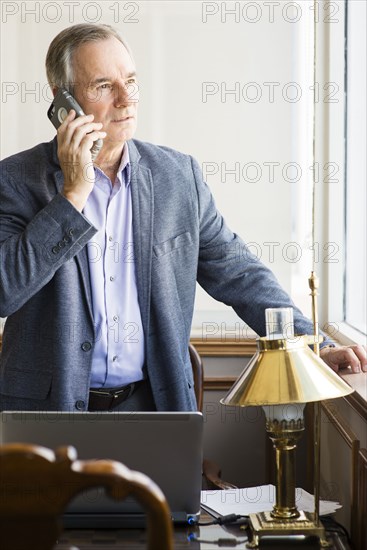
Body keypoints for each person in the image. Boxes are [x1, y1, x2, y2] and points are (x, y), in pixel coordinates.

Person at [0, 24, 365, 413]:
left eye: (131, 82)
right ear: (62, 101)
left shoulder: (178, 177)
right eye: (104, 86)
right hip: (45, 414)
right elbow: (5, 291)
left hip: (152, 407)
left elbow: (239, 273)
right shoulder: (15, 180)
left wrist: (314, 345)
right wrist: (72, 195)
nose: (126, 100)